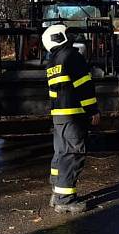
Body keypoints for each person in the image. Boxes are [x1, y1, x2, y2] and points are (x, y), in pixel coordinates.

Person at [42, 23, 101, 213]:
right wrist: (92, 111)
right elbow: (84, 87)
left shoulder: (52, 62)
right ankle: (65, 200)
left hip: (59, 116)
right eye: (67, 33)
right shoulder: (72, 57)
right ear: (59, 37)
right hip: (74, 115)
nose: (71, 35)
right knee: (73, 153)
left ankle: (56, 192)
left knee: (60, 153)